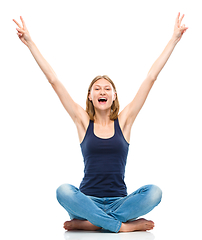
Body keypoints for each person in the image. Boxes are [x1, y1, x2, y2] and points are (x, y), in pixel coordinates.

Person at [13, 13, 188, 233]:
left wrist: (173, 39)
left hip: (119, 202)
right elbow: (54, 80)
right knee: (63, 191)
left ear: (114, 96)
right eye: (97, 88)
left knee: (155, 192)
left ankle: (91, 224)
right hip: (86, 201)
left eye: (107, 88)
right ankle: (121, 227)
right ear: (90, 96)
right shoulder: (82, 121)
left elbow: (150, 78)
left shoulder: (124, 121)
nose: (102, 91)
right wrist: (30, 43)